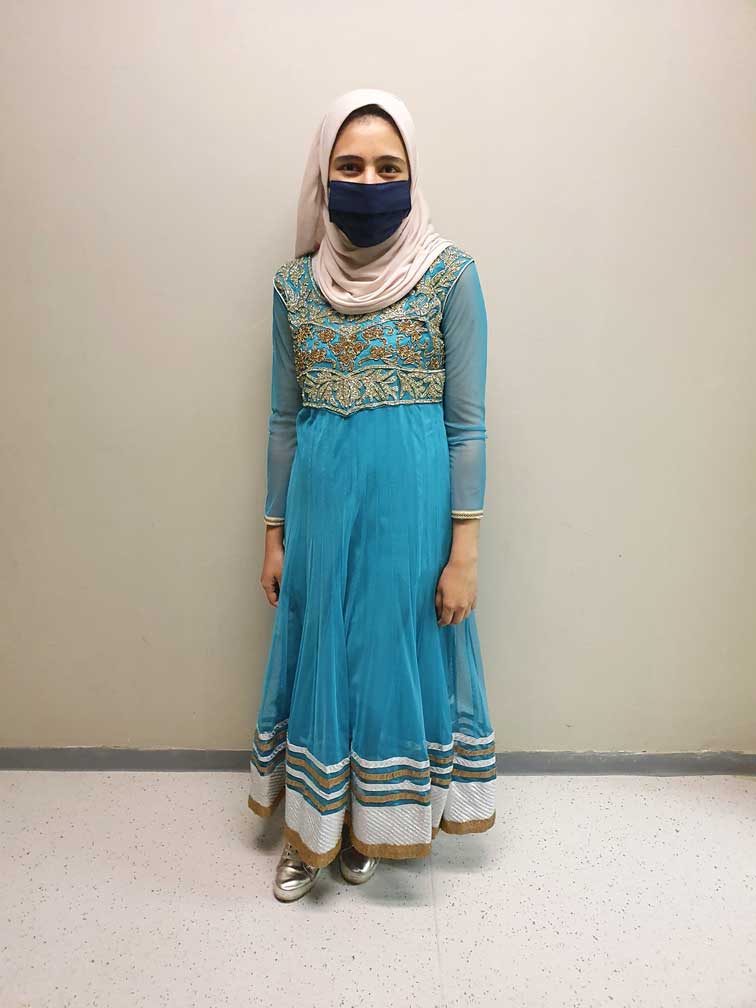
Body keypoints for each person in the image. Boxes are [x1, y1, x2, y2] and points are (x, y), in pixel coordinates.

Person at [248, 88, 496, 903]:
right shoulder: (294, 288)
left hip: (411, 518)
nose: (370, 182)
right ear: (323, 179)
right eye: (349, 166)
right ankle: (313, 832)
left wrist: (464, 554)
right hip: (319, 514)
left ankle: (374, 825)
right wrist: (274, 533)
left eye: (390, 167)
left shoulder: (451, 278)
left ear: (413, 174)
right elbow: (282, 419)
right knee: (323, 654)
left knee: (391, 657)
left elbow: (468, 426)